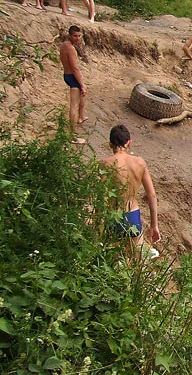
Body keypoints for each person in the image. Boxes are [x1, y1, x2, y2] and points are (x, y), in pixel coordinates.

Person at [100, 125, 160, 256]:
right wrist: (154, 225)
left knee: (114, 259)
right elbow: (152, 194)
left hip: (113, 215)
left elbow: (101, 195)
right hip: (132, 215)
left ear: (110, 144)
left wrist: (99, 224)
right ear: (129, 143)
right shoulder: (139, 163)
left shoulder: (105, 164)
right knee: (137, 258)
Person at [59, 25, 87, 143]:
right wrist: (82, 84)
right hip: (72, 76)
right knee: (73, 106)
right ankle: (73, 136)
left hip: (68, 75)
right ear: (69, 35)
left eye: (79, 36)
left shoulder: (64, 45)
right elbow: (75, 68)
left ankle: (80, 117)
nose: (77, 38)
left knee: (82, 96)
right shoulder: (70, 48)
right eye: (75, 36)